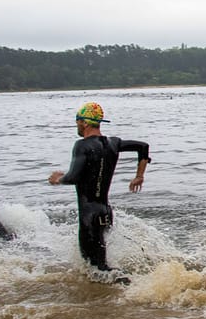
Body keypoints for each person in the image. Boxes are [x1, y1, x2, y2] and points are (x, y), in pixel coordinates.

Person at [49, 102, 151, 276]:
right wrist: (139, 175)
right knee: (101, 266)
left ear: (85, 123)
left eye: (78, 122)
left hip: (89, 216)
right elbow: (143, 147)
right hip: (105, 213)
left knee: (96, 271)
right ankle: (126, 288)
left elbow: (73, 177)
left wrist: (58, 179)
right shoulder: (114, 143)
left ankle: (130, 287)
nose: (77, 126)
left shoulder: (82, 145)